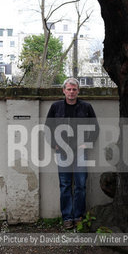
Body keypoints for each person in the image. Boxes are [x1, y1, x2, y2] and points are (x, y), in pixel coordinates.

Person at [46, 78, 99, 229]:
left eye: (74, 89)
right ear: (63, 90)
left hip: (80, 152)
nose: (71, 92)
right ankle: (67, 217)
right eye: (68, 89)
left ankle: (78, 216)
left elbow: (95, 128)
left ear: (78, 91)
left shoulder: (86, 107)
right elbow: (47, 127)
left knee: (81, 185)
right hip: (62, 152)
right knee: (65, 185)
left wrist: (86, 143)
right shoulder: (56, 107)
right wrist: (54, 144)